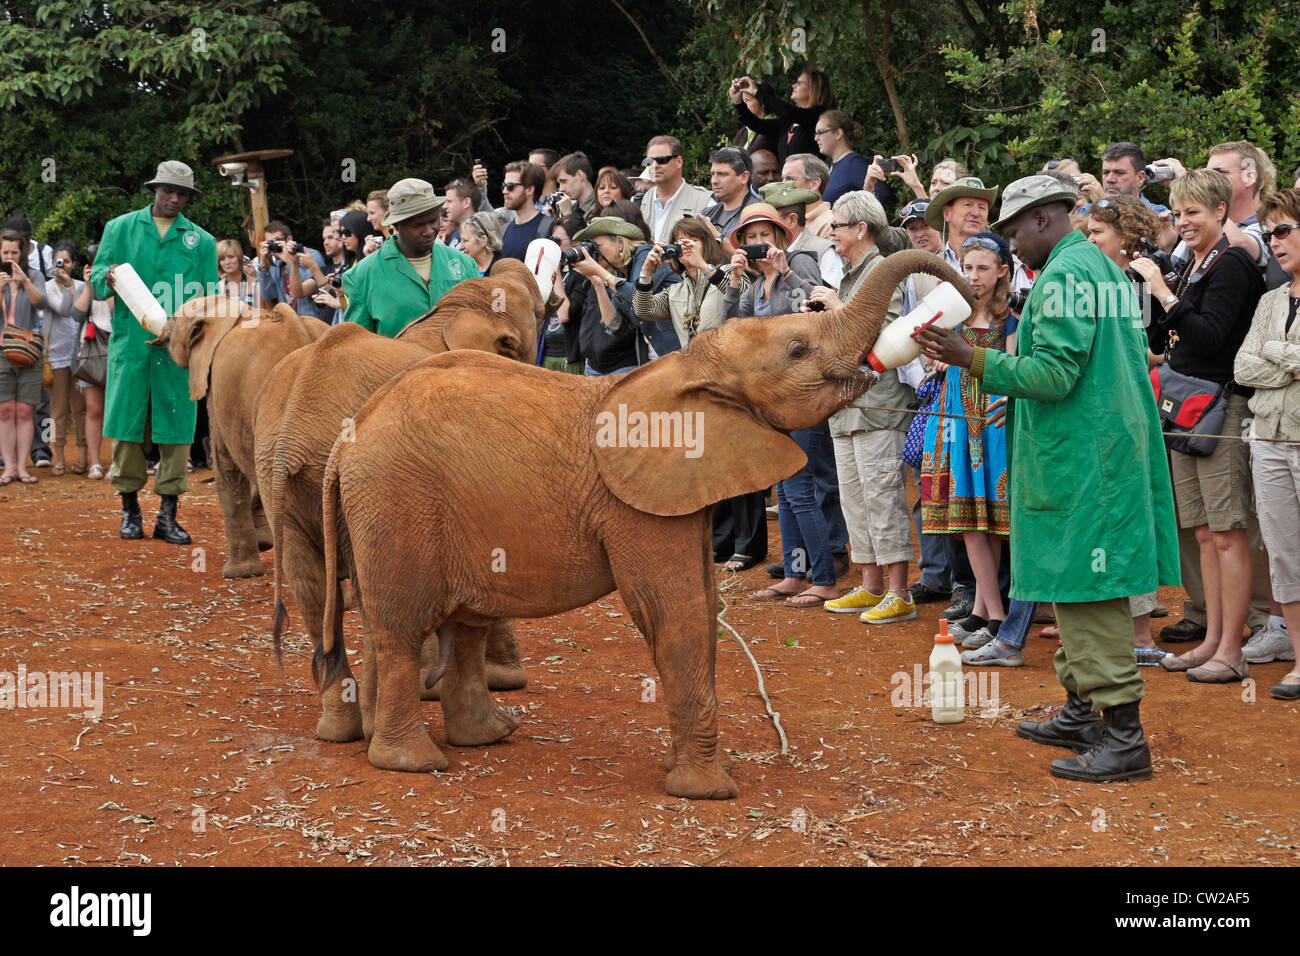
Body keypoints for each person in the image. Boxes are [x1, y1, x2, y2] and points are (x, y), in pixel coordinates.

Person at [917, 174, 1178, 782]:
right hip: (1097, 448)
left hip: (1086, 456)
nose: (1011, 244)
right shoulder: (1099, 264)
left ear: (1043, 218)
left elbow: (1054, 375)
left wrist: (971, 358)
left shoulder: (1065, 274)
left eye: (1013, 230)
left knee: (1090, 586)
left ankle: (1124, 737)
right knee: (1070, 573)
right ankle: (1082, 709)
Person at [1136, 169, 1265, 684]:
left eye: (1193, 211)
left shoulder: (1233, 264)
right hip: (1186, 405)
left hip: (1221, 407)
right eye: (1177, 211)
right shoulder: (1192, 263)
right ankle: (1213, 637)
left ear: (1220, 212)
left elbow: (1210, 338)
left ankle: (1233, 648)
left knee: (1229, 533)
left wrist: (1163, 291)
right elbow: (1165, 333)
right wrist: (1150, 293)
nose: (1183, 221)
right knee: (1206, 534)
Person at [89, 160, 218, 543]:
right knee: (127, 433)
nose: (175, 199)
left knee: (176, 434)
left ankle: (167, 515)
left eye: (182, 194)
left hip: (179, 353)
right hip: (131, 348)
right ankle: (130, 511)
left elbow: (209, 300)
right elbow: (97, 281)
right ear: (155, 190)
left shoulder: (202, 241)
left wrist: (181, 331)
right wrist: (108, 277)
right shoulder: (120, 228)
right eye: (168, 191)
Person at [805, 191, 916, 624]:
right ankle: (870, 586)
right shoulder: (850, 273)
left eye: (837, 225)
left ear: (860, 229)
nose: (831, 232)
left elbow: (888, 336)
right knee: (854, 497)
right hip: (846, 403)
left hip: (880, 404)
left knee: (883, 494)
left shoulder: (883, 271)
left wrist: (838, 309)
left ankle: (899, 592)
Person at [923, 234, 1016, 658]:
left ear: (1002, 272)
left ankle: (996, 615)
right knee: (968, 521)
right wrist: (934, 356)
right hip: (956, 417)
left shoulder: (1010, 317)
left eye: (982, 268)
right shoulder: (951, 312)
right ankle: (982, 610)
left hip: (992, 421)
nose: (973, 276)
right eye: (968, 267)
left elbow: (1015, 369)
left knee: (987, 520)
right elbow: (921, 355)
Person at [1233, 187, 1300, 698]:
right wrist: (1288, 355)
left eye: (1283, 229)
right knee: (1282, 554)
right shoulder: (1270, 299)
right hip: (1267, 440)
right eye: (1268, 232)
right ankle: (1299, 659)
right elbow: (1242, 367)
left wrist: (1271, 355)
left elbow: (1262, 361)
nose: (1274, 241)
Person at [342, 179, 477, 337]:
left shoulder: (465, 265)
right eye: (417, 225)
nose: (428, 231)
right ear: (396, 225)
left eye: (433, 221)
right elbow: (358, 346)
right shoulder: (361, 277)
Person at [1153, 141, 1288, 290]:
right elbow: (1175, 291)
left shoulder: (1269, 227)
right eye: (1207, 173)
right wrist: (1164, 250)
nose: (1209, 180)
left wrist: (1186, 182)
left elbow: (1238, 244)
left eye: (1218, 173)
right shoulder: (1198, 224)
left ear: (1250, 177)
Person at [632, 216, 732, 355]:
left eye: (693, 240)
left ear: (707, 244)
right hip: (694, 369)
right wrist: (645, 272)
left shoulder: (729, 272)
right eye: (680, 243)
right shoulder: (675, 291)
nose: (686, 246)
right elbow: (643, 310)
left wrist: (703, 266)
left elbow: (738, 294)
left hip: (728, 367)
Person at [570, 216, 652, 376]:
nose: (595, 252)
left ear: (620, 242)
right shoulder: (619, 273)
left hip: (666, 355)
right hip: (605, 365)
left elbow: (639, 298)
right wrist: (598, 284)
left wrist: (601, 273)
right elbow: (615, 326)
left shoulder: (644, 255)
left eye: (598, 246)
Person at [0, 230, 48, 486]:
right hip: (1, 351)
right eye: (5, 252)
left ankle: (22, 468)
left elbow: (42, 304)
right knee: (6, 411)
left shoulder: (35, 275)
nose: (10, 257)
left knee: (25, 410)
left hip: (30, 350)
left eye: (14, 252)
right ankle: (8, 468)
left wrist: (24, 283)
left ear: (23, 253)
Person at [41, 243, 90, 476]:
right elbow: (63, 310)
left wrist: (73, 285)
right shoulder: (47, 287)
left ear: (74, 264)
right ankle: (56, 456)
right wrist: (68, 287)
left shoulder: (83, 286)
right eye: (58, 262)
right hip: (56, 357)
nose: (62, 266)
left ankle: (83, 456)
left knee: (81, 409)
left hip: (80, 356)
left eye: (67, 262)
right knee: (56, 410)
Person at [730, 70, 834, 164]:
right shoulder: (789, 123)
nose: (794, 86)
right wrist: (738, 104)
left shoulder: (818, 116)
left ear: (814, 88)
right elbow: (758, 125)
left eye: (799, 83)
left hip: (809, 183)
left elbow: (789, 112)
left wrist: (757, 92)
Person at [762, 181, 843, 289]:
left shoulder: (823, 252)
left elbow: (835, 297)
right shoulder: (768, 254)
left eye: (771, 221)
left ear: (792, 220)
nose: (765, 227)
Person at [639, 135, 713, 244]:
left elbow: (713, 251)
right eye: (649, 161)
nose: (654, 166)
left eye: (661, 160)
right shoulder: (639, 201)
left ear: (679, 161)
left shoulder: (705, 202)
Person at [539, 214, 588, 374]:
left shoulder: (584, 275)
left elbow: (564, 314)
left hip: (569, 357)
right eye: (551, 240)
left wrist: (556, 271)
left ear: (576, 243)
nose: (554, 246)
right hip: (546, 353)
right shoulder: (551, 275)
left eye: (558, 242)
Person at [78, 250, 111, 481]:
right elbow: (74, 314)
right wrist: (89, 286)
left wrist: (110, 286)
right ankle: (95, 463)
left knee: (117, 410)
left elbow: (118, 310)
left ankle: (117, 462)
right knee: (94, 409)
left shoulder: (120, 284)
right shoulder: (85, 287)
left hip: (117, 350)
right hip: (90, 353)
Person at [257, 220, 328, 321]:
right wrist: (263, 264)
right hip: (290, 324)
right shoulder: (276, 265)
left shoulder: (310, 256)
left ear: (289, 239)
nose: (273, 245)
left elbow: (310, 287)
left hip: (311, 321)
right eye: (270, 243)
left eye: (276, 241)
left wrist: (290, 261)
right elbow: (267, 295)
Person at [925, 176, 999, 269]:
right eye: (968, 205)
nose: (976, 213)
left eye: (982, 208)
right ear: (947, 213)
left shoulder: (1007, 265)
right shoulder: (923, 271)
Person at [701, 147, 760, 245]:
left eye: (722, 174)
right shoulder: (707, 213)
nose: (714, 181)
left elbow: (752, 259)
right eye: (712, 174)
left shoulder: (758, 214)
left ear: (744, 177)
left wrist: (718, 237)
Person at [499, 161, 555, 261]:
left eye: (510, 186)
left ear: (529, 189)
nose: (505, 191)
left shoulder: (549, 228)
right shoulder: (503, 230)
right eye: (504, 185)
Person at [813, 110, 869, 206]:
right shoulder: (835, 165)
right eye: (816, 133)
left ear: (838, 133)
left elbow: (880, 195)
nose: (816, 138)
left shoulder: (855, 164)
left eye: (820, 132)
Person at [781, 153, 835, 238]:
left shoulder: (829, 224)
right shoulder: (786, 219)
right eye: (782, 179)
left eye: (790, 179)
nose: (782, 185)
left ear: (814, 184)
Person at [552, 153, 599, 221]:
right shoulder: (572, 208)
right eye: (559, 183)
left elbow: (582, 231)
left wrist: (567, 215)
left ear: (580, 175)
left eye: (564, 181)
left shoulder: (600, 207)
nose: (561, 189)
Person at [442, 178, 483, 250]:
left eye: (449, 201)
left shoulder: (481, 234)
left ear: (466, 202)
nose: (444, 206)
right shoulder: (454, 236)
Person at [460, 211, 503, 277]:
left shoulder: (503, 270)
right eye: (461, 240)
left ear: (483, 240)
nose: (461, 247)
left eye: (465, 240)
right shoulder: (463, 270)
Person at [216, 238, 257, 306]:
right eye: (222, 259)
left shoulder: (254, 282)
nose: (227, 262)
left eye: (231, 257)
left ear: (240, 258)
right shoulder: (218, 287)